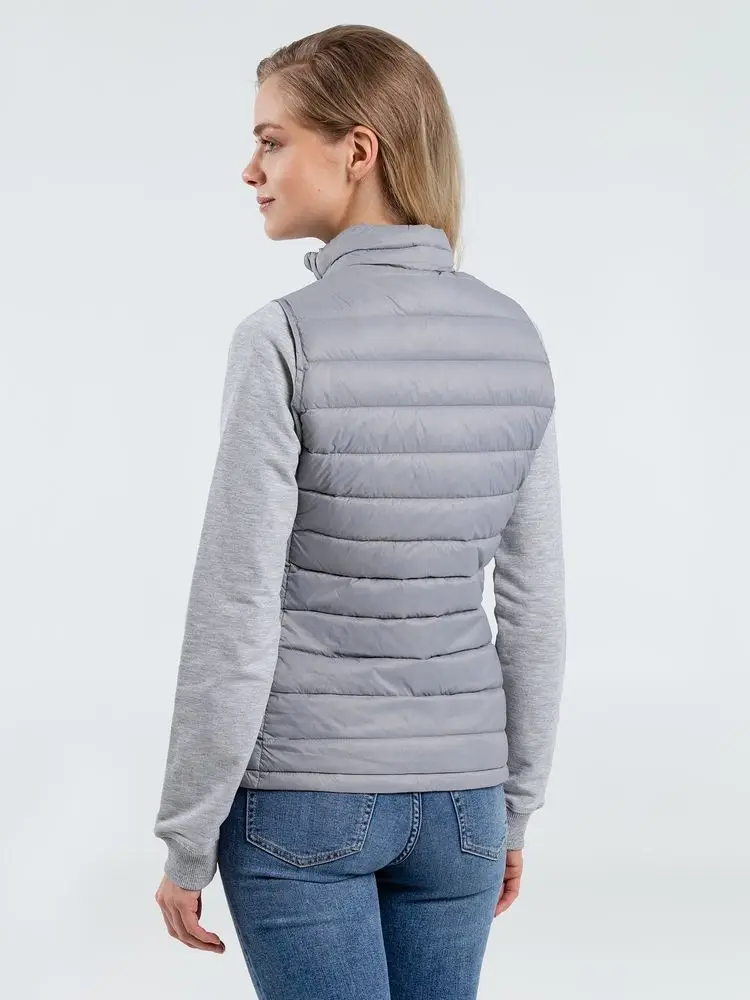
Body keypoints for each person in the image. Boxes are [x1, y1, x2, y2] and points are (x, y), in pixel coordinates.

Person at [153, 23, 566, 1000]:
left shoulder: (281, 339)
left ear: (358, 149)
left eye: (272, 141)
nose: (251, 169)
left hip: (304, 803)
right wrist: (512, 808)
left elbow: (235, 610)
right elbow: (536, 610)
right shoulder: (513, 336)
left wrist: (186, 835)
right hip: (463, 809)